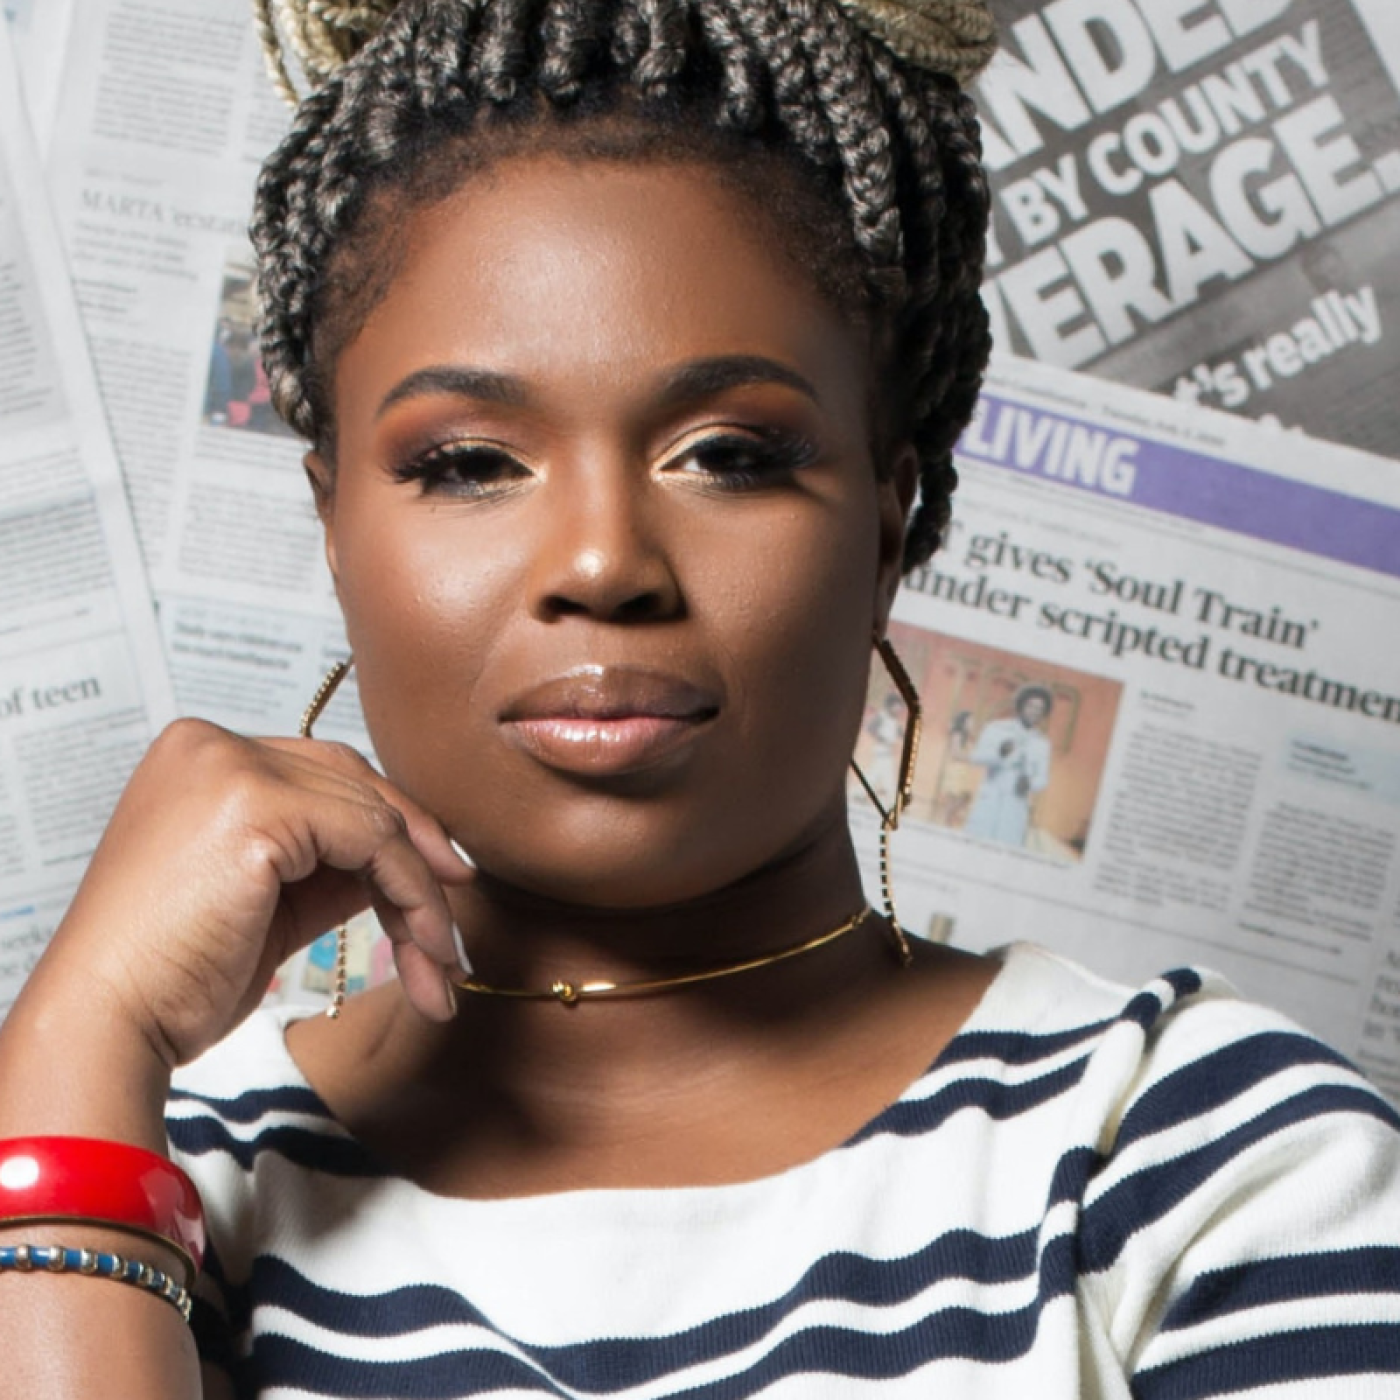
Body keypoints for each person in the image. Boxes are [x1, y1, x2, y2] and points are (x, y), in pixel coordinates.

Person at [2, 2, 1399, 1396]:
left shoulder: (1205, 1160)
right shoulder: (126, 1186)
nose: (604, 561)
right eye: (471, 463)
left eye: (729, 453)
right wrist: (75, 1047)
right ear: (335, 526)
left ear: (890, 524)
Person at [962, 684, 1052, 848]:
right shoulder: (997, 728)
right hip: (990, 801)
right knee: (975, 846)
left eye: (1040, 709)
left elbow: (1043, 779)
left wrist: (1030, 784)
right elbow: (976, 758)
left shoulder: (1042, 743)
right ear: (1021, 705)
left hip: (1016, 807)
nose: (1034, 711)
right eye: (1031, 706)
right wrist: (1000, 754)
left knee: (1006, 850)